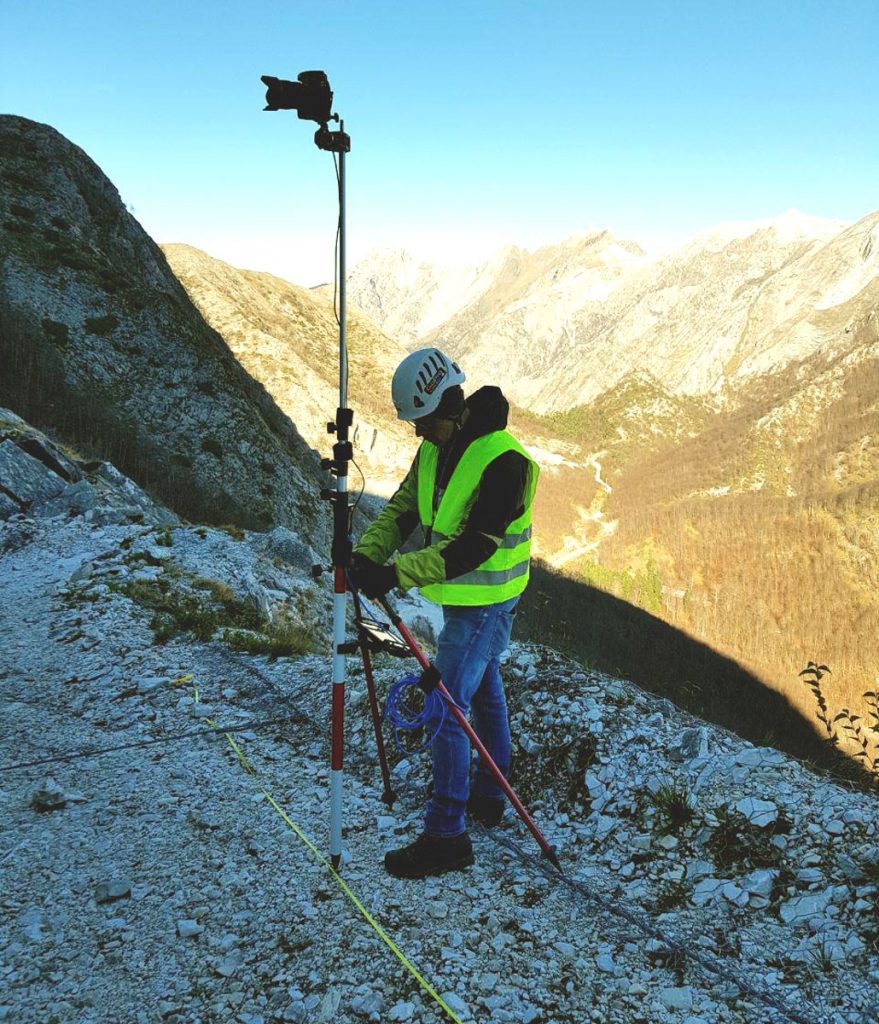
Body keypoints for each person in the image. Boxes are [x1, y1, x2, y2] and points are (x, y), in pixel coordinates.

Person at [350, 347, 539, 879]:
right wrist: (370, 552)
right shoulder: (436, 449)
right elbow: (404, 506)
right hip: (464, 600)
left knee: (447, 707)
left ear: (450, 407)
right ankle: (488, 794)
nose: (416, 434)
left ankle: (446, 833)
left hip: (488, 600)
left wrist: (397, 572)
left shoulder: (504, 460)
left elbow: (477, 545)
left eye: (422, 423)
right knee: (484, 692)